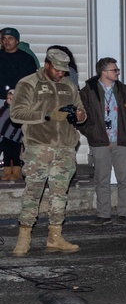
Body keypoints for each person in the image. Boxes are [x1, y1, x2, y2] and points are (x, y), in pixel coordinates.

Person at [9, 48, 88, 257]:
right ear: (47, 65)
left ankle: (55, 237)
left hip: (65, 149)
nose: (61, 73)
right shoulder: (28, 83)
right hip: (39, 148)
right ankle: (23, 238)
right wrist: (47, 115)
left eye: (64, 70)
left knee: (59, 194)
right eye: (58, 70)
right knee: (33, 193)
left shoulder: (68, 85)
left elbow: (82, 113)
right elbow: (16, 114)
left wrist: (79, 115)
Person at [77, 57, 126, 224]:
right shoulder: (88, 91)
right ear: (104, 72)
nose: (118, 72)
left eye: (117, 69)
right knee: (102, 179)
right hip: (99, 142)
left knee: (124, 179)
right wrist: (91, 132)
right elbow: (78, 115)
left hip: (120, 141)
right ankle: (103, 214)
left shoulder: (124, 90)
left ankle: (123, 213)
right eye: (115, 70)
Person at [1, 27, 37, 180]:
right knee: (3, 134)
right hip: (1, 101)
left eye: (10, 39)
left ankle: (16, 165)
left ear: (17, 41)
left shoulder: (26, 58)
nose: (7, 41)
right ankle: (6, 168)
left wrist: (16, 94)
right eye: (4, 38)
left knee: (16, 134)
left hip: (20, 100)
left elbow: (31, 81)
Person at [1, 88, 23, 181]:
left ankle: (16, 173)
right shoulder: (3, 109)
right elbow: (2, 121)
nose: (9, 100)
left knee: (15, 156)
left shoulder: (19, 111)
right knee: (6, 155)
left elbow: (21, 124)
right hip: (5, 137)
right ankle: (6, 174)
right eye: (8, 98)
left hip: (17, 138)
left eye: (12, 99)